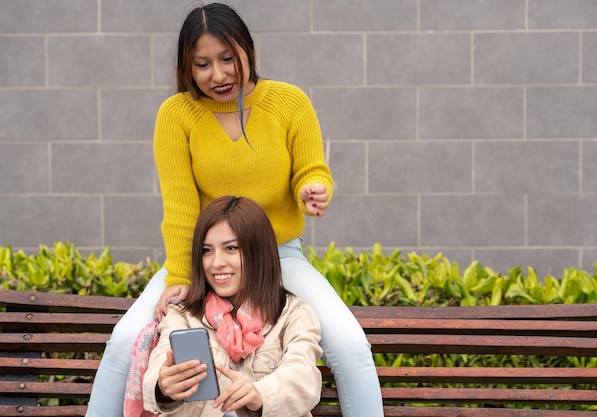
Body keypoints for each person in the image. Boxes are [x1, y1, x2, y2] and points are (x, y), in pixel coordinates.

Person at [86, 3, 384, 417]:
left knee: (352, 347)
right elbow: (179, 208)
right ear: (186, 68)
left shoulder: (289, 102)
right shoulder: (176, 116)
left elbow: (311, 169)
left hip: (277, 255)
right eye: (202, 64)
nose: (219, 74)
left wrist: (314, 189)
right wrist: (180, 278)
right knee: (123, 341)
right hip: (208, 259)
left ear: (247, 49)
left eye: (227, 58)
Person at [142, 195, 323, 417]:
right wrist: (163, 386)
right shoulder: (182, 314)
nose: (216, 262)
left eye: (231, 248)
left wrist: (259, 394)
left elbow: (303, 378)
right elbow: (160, 361)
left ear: (258, 252)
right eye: (206, 250)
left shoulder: (294, 315)